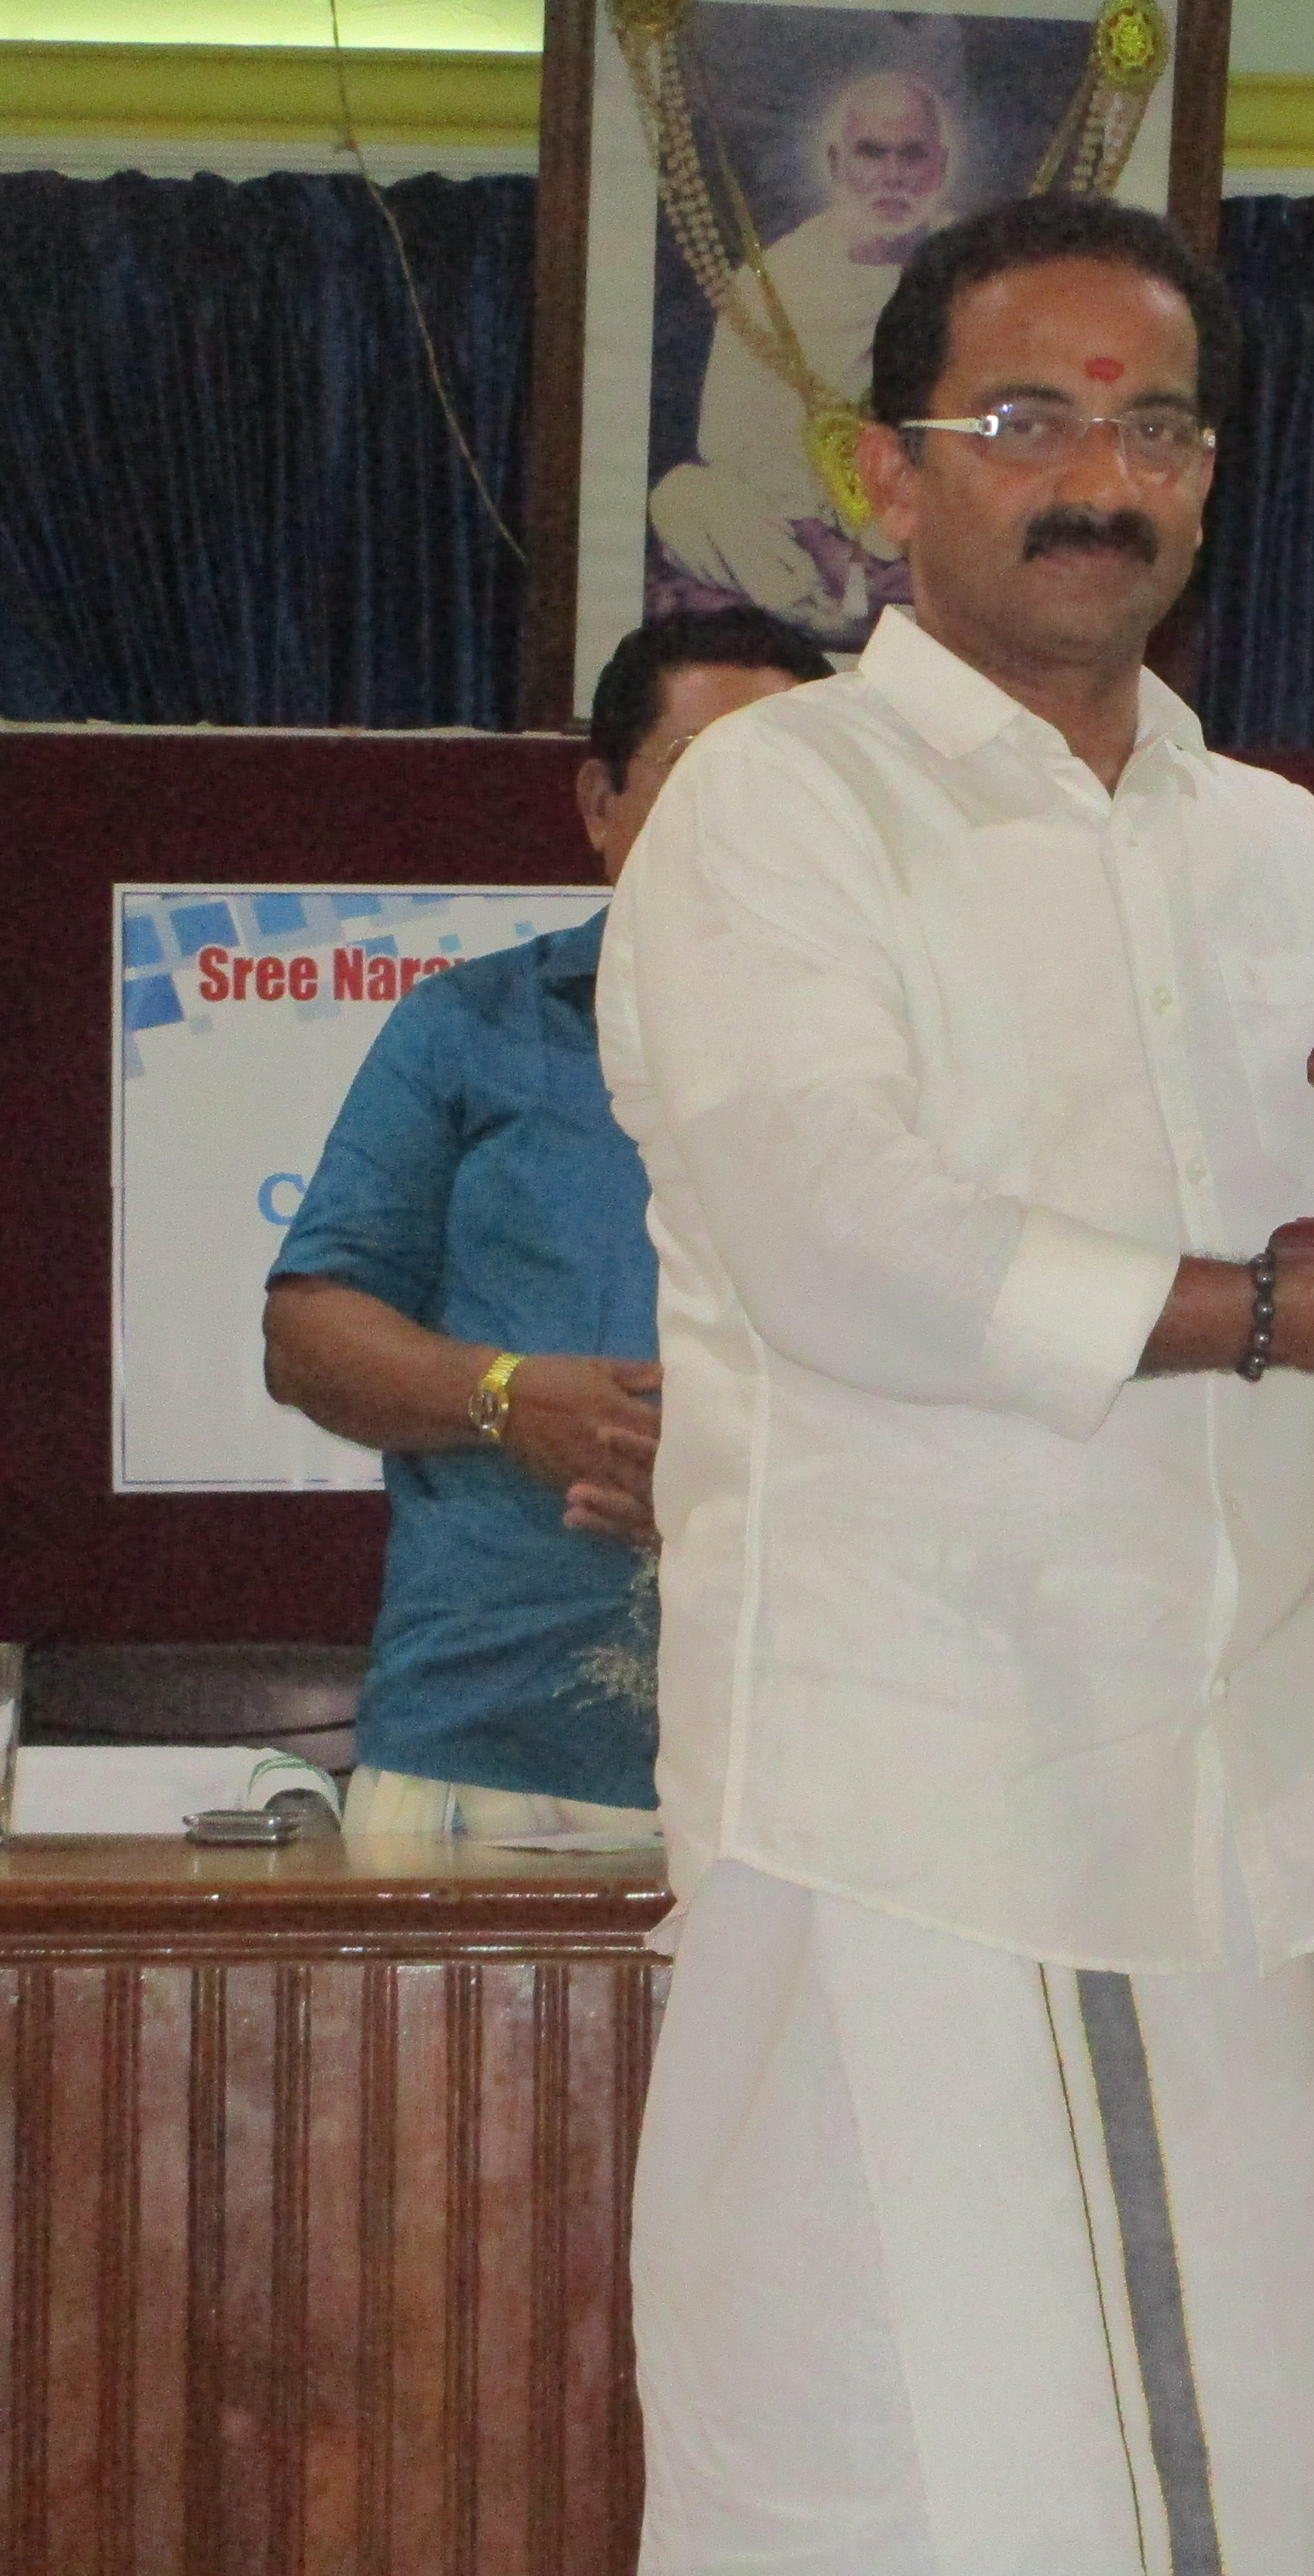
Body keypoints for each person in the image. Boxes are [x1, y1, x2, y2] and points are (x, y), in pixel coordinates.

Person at [598, 199, 1314, 2573]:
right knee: (894, 2494)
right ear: (886, 474)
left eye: (1158, 427)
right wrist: (1287, 1314)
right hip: (911, 1821)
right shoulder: (781, 806)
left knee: (1223, 2500)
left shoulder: (1282, 852)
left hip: (1214, 1822)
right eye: (1028, 419)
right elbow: (842, 1237)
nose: (1102, 477)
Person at [262, 606, 825, 1842]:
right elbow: (306, 1337)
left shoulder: (908, 1066)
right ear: (600, 805)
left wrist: (750, 1488)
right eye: (702, 775)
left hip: (829, 1771)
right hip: (498, 1750)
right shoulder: (470, 1031)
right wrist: (506, 1398)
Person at [646, 66, 961, 639]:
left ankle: (885, 600)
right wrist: (824, 544)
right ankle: (826, 612)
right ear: (837, 164)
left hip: (932, 516)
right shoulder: (778, 278)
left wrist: (916, 538)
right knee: (683, 498)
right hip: (805, 527)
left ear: (939, 166)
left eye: (912, 154)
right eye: (872, 153)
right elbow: (734, 443)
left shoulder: (977, 271)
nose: (893, 175)